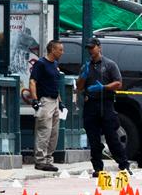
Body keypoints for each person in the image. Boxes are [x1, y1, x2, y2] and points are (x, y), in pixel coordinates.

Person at [76, 37, 131, 177]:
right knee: (94, 140)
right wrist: (83, 76)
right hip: (91, 105)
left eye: (92, 47)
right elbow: (79, 87)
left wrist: (104, 87)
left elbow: (118, 83)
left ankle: (124, 166)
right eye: (88, 48)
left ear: (99, 47)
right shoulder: (86, 66)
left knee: (112, 138)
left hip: (106, 104)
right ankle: (98, 168)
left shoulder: (110, 65)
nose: (90, 51)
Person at [28, 39, 65, 172]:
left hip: (54, 101)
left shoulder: (55, 64)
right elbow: (32, 81)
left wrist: (60, 102)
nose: (62, 52)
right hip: (45, 101)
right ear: (52, 49)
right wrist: (35, 100)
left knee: (54, 133)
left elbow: (55, 85)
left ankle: (49, 159)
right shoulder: (41, 63)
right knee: (44, 131)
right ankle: (40, 160)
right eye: (60, 49)